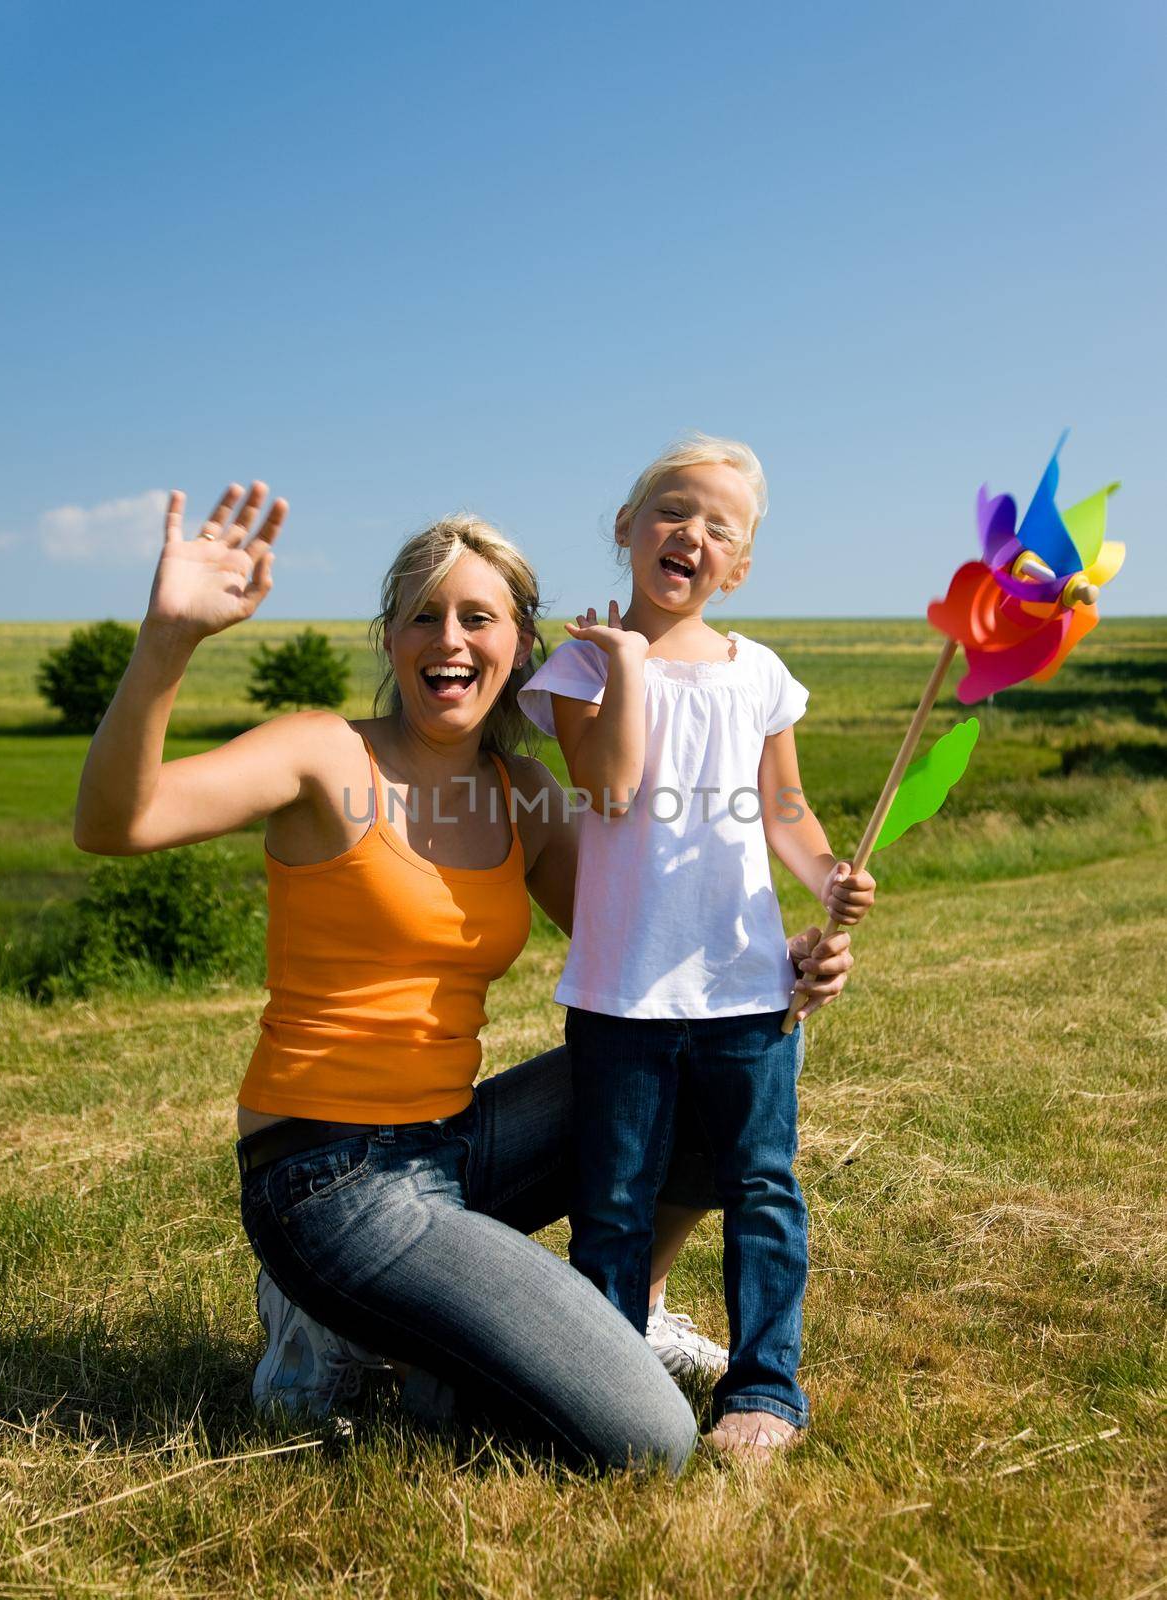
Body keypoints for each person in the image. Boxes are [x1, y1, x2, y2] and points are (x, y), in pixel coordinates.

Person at [73, 480, 856, 1476]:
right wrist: (167, 642)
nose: (451, 638)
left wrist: (784, 958)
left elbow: (655, 951)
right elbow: (114, 823)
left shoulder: (523, 794)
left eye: (478, 617)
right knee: (649, 1437)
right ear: (391, 640)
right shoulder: (324, 757)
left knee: (704, 1075)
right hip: (326, 1176)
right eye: (424, 616)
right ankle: (336, 1325)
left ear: (519, 645)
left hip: (456, 1151)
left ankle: (619, 1317)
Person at [517, 434, 876, 1462]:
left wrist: (824, 875)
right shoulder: (581, 662)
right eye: (675, 509)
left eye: (723, 527)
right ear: (627, 528)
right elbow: (614, 786)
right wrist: (627, 661)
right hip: (623, 993)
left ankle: (765, 1391)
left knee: (762, 1187)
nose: (694, 534)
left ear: (742, 566)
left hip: (745, 986)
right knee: (616, 1203)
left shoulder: (758, 671)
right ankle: (609, 1386)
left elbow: (787, 808)